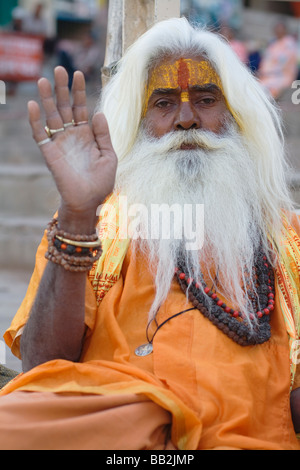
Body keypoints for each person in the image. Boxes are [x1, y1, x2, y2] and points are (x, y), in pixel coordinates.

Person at [0, 17, 299, 450]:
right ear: (139, 123)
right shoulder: (93, 227)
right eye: (162, 104)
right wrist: (77, 214)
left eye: (206, 99)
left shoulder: (285, 240)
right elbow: (41, 365)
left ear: (236, 115)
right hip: (116, 431)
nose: (185, 119)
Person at [258, 21, 298, 99]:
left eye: (280, 29)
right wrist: (262, 72)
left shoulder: (289, 44)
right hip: (267, 76)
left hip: (281, 76)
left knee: (264, 90)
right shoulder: (274, 43)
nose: (278, 31)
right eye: (277, 29)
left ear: (285, 30)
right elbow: (266, 61)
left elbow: (283, 64)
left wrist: (266, 73)